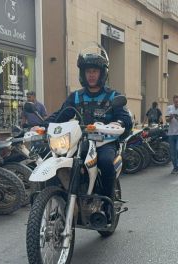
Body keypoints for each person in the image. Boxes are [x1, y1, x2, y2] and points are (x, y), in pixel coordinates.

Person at [44, 47, 132, 199]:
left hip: (105, 142)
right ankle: (59, 201)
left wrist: (119, 123)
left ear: (102, 73)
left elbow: (125, 119)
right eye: (88, 71)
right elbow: (61, 115)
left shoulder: (113, 95)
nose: (91, 75)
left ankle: (107, 200)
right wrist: (43, 125)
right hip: (79, 141)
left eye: (95, 71)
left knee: (105, 162)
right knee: (57, 160)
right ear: (83, 74)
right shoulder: (76, 96)